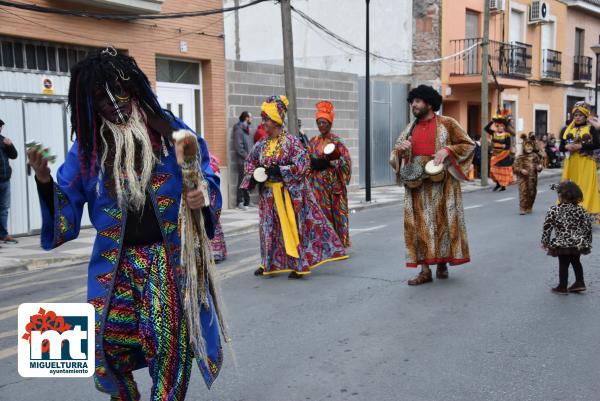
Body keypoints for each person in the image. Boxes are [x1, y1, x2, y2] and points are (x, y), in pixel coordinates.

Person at [26, 49, 227, 400]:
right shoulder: (87, 151)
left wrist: (201, 196)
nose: (114, 106)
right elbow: (65, 218)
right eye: (101, 99)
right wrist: (44, 180)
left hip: (166, 262)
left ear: (133, 88)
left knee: (168, 346)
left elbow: (203, 173)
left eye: (118, 92)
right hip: (114, 267)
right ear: (90, 106)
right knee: (106, 348)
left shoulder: (169, 131)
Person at [240, 95, 348, 279]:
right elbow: (249, 163)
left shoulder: (291, 142)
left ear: (275, 121)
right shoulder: (261, 145)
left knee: (291, 228)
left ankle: (299, 265)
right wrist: (254, 175)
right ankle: (267, 263)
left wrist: (279, 170)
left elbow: (302, 165)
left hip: (286, 194)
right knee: (267, 230)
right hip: (268, 196)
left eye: (266, 119)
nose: (263, 123)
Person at [389, 85, 475, 285]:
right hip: (416, 185)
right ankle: (425, 270)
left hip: (443, 183)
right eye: (412, 102)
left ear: (428, 103)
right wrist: (400, 151)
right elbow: (394, 153)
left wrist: (448, 150)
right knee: (418, 226)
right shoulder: (410, 128)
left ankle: (443, 261)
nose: (414, 105)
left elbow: (469, 144)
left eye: (417, 101)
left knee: (443, 223)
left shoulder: (448, 123)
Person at [308, 101, 352, 248]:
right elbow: (306, 160)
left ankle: (338, 242)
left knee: (336, 214)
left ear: (330, 123)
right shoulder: (313, 142)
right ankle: (322, 242)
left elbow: (346, 162)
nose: (321, 125)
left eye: (324, 122)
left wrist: (333, 163)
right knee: (319, 213)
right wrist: (313, 163)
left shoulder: (336, 141)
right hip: (317, 186)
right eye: (319, 122)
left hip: (334, 186)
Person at [542, 181, 592, 294]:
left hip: (562, 243)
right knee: (576, 261)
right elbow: (587, 227)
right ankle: (580, 282)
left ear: (560, 196)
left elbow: (547, 227)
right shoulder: (581, 210)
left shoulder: (554, 210)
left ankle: (562, 286)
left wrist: (545, 242)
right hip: (578, 242)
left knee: (563, 264)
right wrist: (587, 241)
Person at [559, 102, 600, 215]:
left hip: (586, 162)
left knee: (585, 187)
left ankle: (583, 212)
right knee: (570, 188)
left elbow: (597, 144)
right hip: (572, 163)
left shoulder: (590, 129)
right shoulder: (567, 130)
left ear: (585, 116)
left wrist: (581, 146)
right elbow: (561, 147)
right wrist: (566, 146)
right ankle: (569, 211)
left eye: (580, 115)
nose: (577, 117)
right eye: (575, 115)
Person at [485, 108, 514, 192]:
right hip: (495, 155)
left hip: (503, 155)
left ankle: (503, 186)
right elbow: (486, 129)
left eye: (502, 126)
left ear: (504, 127)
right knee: (493, 170)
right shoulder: (494, 133)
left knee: (502, 171)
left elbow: (508, 146)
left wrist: (501, 147)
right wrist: (492, 121)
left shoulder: (507, 135)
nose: (500, 127)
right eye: (498, 126)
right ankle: (498, 184)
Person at [513, 133, 543, 215]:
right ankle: (522, 208)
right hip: (523, 178)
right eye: (527, 146)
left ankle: (529, 206)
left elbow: (539, 164)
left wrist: (539, 167)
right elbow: (514, 167)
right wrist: (521, 170)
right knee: (523, 192)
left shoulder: (535, 156)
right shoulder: (520, 157)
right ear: (523, 146)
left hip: (533, 178)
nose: (529, 148)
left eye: (530, 146)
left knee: (532, 192)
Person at [0, 119, 18, 244]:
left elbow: (14, 155)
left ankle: (3, 234)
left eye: (1, 127)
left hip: (5, 180)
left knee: (4, 208)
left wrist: (10, 145)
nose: (0, 128)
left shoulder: (3, 140)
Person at [233, 111, 254, 209]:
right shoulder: (239, 129)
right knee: (242, 180)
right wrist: (247, 156)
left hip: (248, 160)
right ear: (246, 118)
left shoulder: (246, 130)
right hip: (242, 161)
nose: (251, 119)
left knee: (247, 180)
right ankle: (239, 202)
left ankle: (247, 201)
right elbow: (238, 147)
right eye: (250, 117)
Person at [209, 153, 227, 263]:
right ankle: (218, 252)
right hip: (208, 198)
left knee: (212, 224)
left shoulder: (208, 160)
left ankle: (216, 253)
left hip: (209, 198)